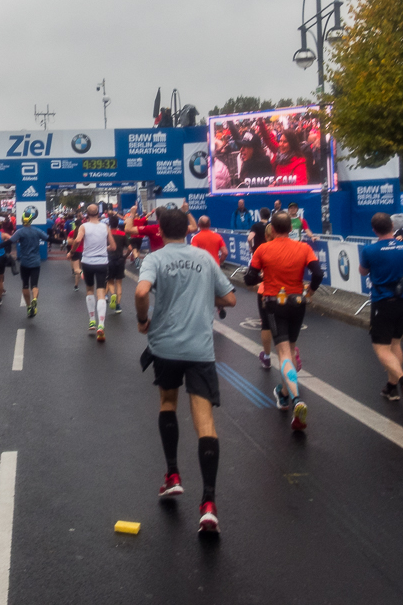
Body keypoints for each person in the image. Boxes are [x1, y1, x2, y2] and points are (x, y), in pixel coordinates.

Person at [136, 208, 237, 534]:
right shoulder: (206, 259)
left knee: (168, 404)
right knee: (205, 421)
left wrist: (142, 320)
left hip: (165, 346)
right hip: (199, 350)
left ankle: (173, 475)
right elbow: (231, 299)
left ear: (161, 231)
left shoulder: (155, 258)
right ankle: (208, 504)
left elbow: (140, 292)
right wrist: (208, 297)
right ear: (188, 229)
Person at [243, 212, 324, 432]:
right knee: (290, 348)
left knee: (285, 354)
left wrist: (263, 276)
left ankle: (296, 399)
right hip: (298, 302)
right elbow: (318, 272)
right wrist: (311, 292)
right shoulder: (303, 248)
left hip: (273, 302)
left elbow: (249, 278)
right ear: (290, 228)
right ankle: (284, 394)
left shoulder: (263, 249)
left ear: (273, 228)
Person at [358, 213, 403, 409]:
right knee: (396, 343)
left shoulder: (369, 250)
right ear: (392, 226)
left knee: (381, 348)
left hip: (383, 301)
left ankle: (402, 380)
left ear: (374, 230)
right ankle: (391, 388)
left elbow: (363, 271)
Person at [71, 204, 115, 341]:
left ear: (87, 214)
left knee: (89, 290)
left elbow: (78, 240)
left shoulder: (84, 226)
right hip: (102, 262)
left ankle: (92, 320)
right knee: (101, 292)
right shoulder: (105, 227)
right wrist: (103, 247)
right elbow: (113, 247)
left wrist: (72, 251)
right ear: (98, 213)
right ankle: (101, 325)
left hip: (88, 262)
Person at [10, 212, 48, 318]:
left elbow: (10, 241)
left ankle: (28, 307)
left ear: (22, 220)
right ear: (31, 220)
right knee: (34, 285)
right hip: (35, 262)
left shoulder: (20, 232)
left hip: (25, 262)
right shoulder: (37, 231)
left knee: (25, 284)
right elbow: (49, 239)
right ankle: (34, 298)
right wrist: (64, 242)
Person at [105, 214, 129, 314]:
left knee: (110, 281)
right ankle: (118, 306)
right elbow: (130, 248)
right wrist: (125, 257)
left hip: (109, 259)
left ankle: (112, 294)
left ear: (109, 224)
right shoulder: (123, 234)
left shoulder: (107, 234)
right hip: (120, 259)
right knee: (119, 283)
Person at [67, 218, 84, 290]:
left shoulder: (72, 232)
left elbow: (68, 242)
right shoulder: (84, 233)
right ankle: (76, 285)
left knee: (76, 269)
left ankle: (82, 272)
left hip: (75, 251)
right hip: (83, 251)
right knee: (79, 268)